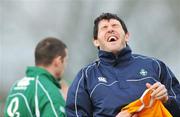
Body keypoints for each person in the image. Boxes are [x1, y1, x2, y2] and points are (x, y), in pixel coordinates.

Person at [66, 13, 180, 117]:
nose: (110, 29)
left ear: (126, 36)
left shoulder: (155, 66)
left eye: (115, 26)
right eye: (104, 28)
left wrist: (167, 100)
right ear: (96, 41)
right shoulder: (85, 76)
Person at [4, 37, 68, 117]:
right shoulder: (49, 91)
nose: (65, 66)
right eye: (66, 61)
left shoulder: (15, 86)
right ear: (58, 61)